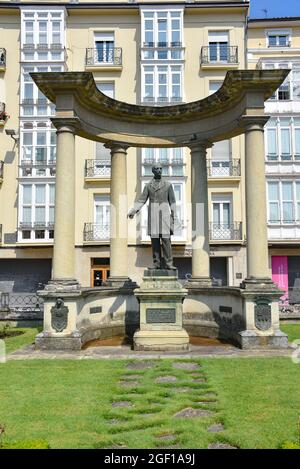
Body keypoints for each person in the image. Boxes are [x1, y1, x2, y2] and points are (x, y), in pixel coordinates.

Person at [128, 165, 179, 270]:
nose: (159, 170)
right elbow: (142, 199)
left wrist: (175, 216)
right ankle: (156, 264)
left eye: (160, 168)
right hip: (153, 217)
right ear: (153, 171)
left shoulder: (168, 185)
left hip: (165, 218)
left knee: (166, 241)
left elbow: (172, 202)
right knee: (155, 242)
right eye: (157, 168)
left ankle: (168, 264)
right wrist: (134, 210)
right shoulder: (148, 186)